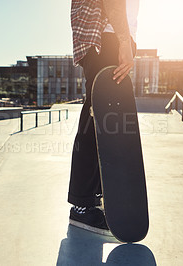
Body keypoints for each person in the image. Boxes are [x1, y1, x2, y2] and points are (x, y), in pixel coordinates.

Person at [68, 0, 139, 235]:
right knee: (95, 117)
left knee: (105, 121)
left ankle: (91, 197)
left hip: (111, 36)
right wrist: (124, 41)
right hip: (106, 37)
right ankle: (83, 204)